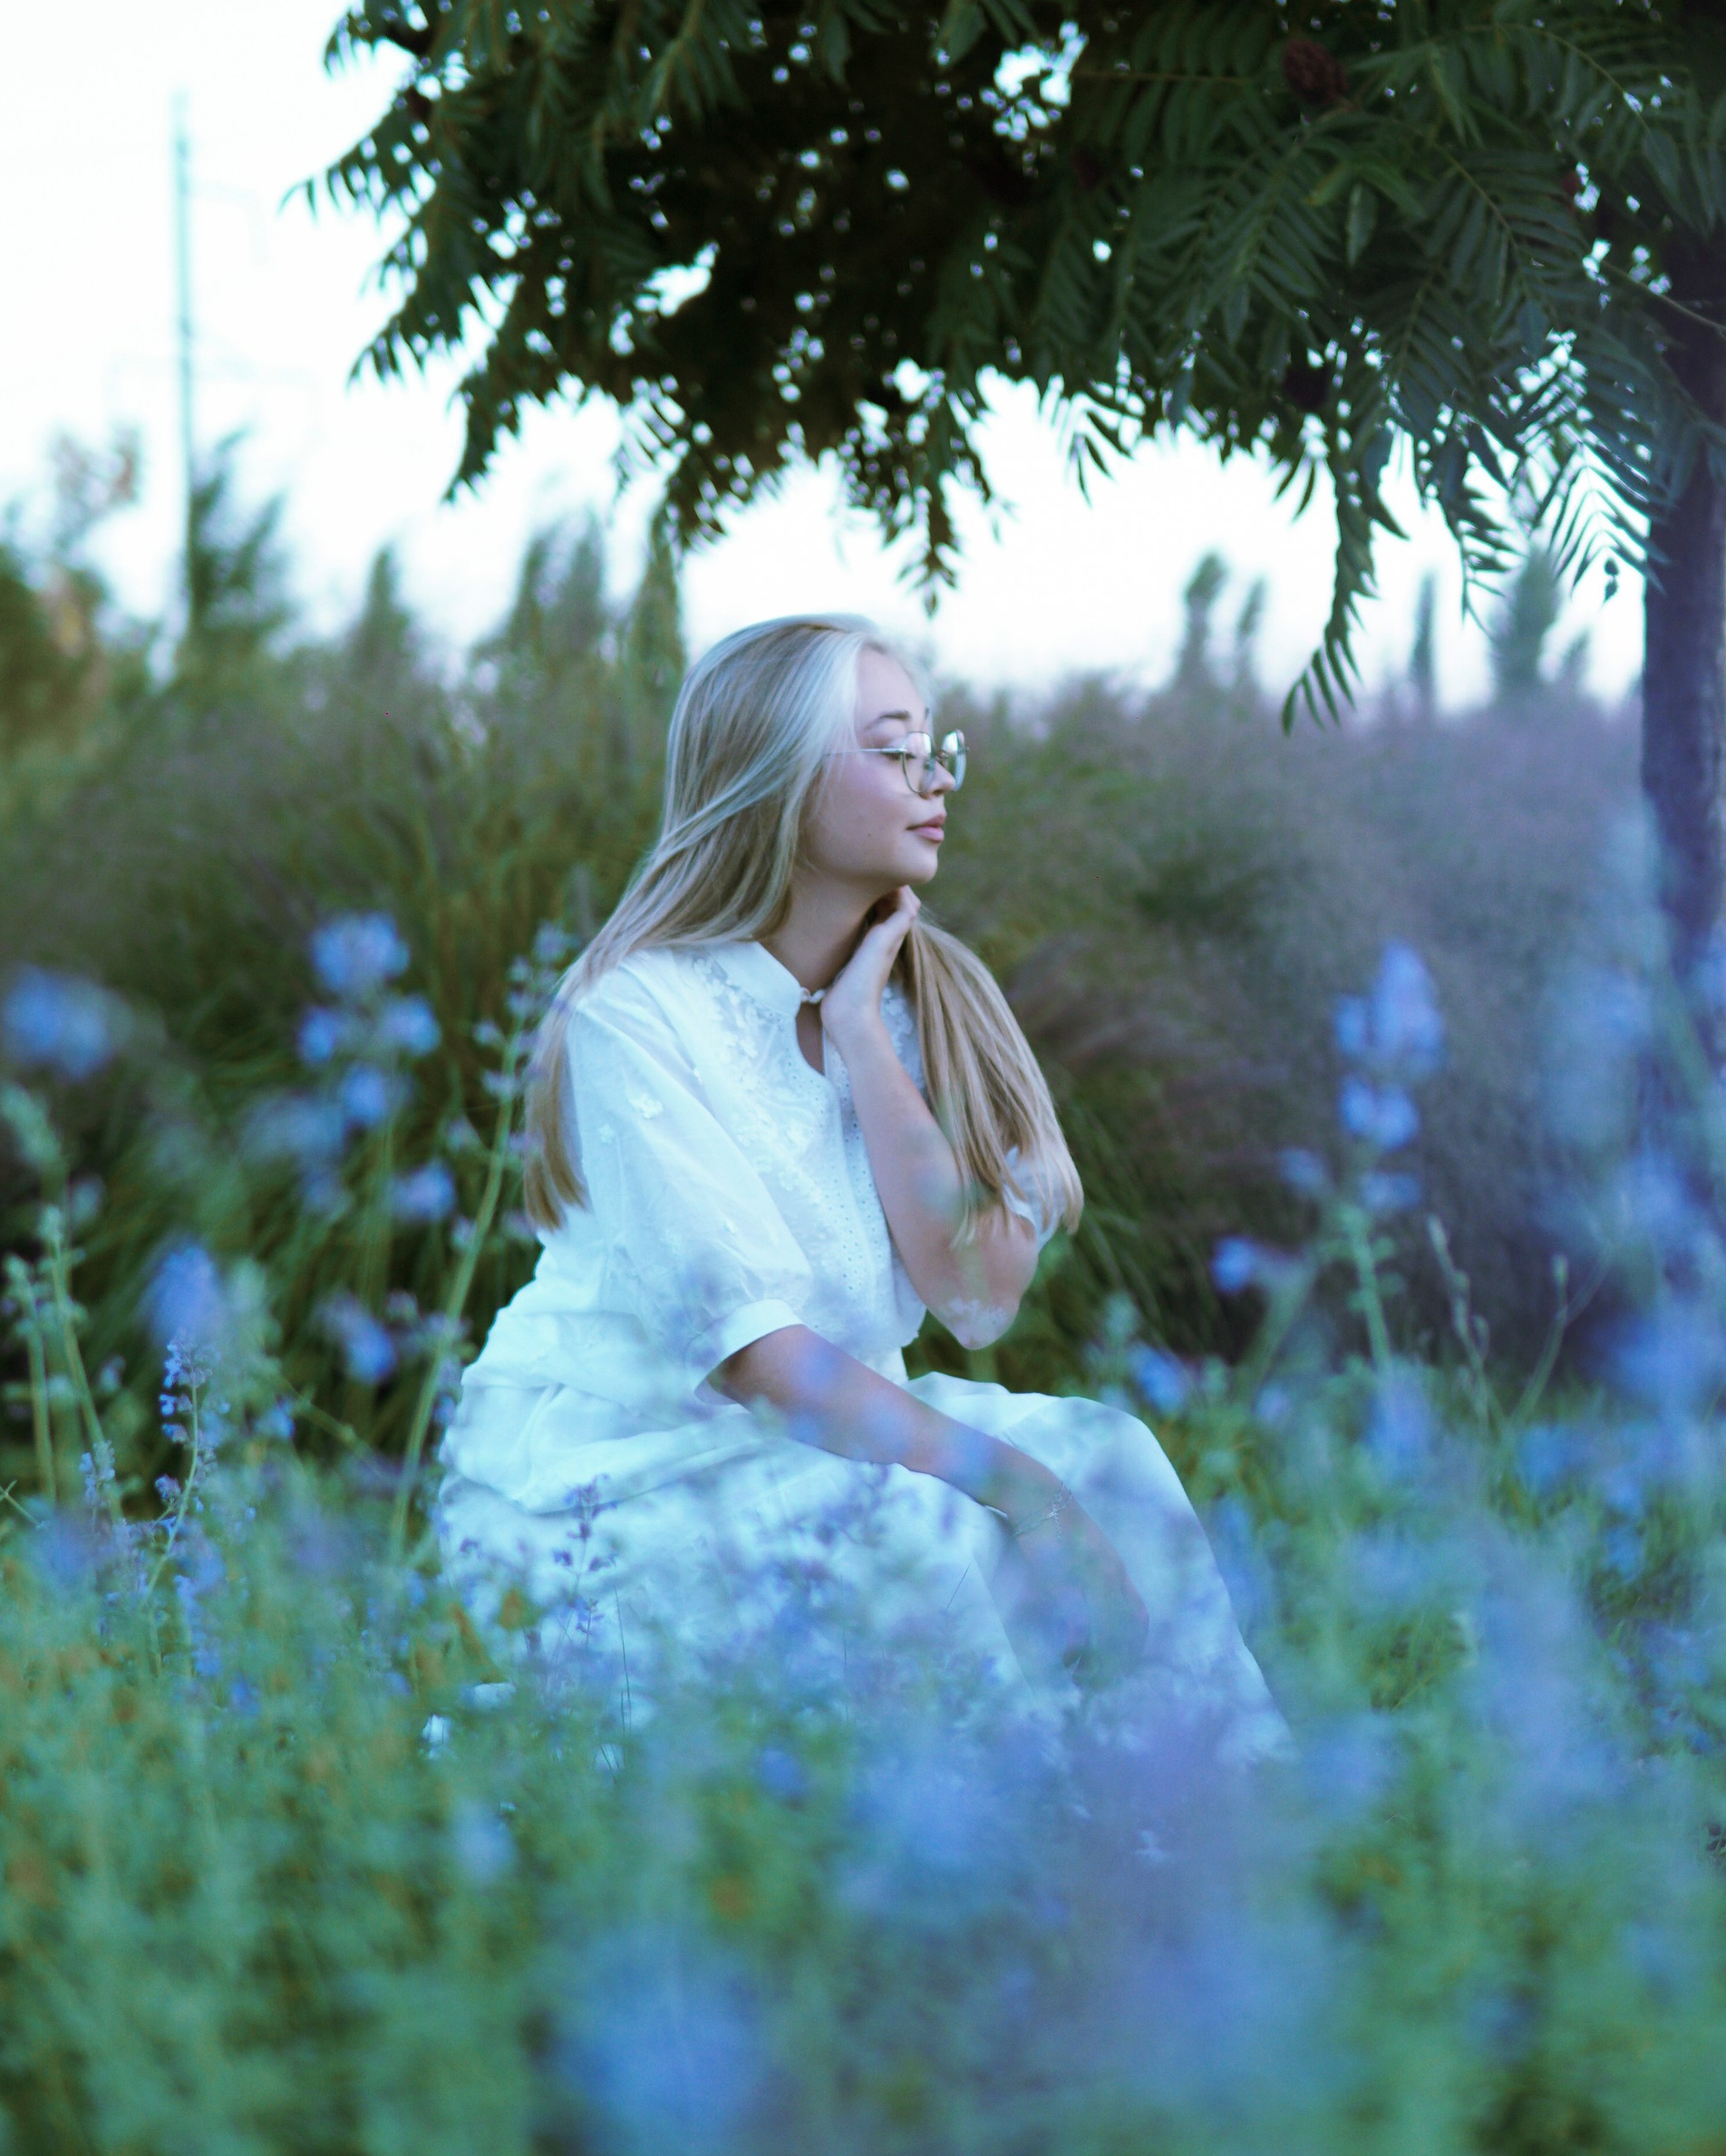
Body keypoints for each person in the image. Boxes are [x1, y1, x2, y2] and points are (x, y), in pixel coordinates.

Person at [437, 613, 1282, 1755]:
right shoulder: (634, 1012)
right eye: (893, 750)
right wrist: (1016, 1488)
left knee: (1115, 1458)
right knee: (916, 1533)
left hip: (839, 1436)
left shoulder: (918, 1001)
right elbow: (749, 1354)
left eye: (937, 749)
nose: (933, 778)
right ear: (776, 781)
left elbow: (976, 1300)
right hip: (624, 1462)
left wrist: (862, 1044)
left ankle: (1211, 1824)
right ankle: (1013, 1868)